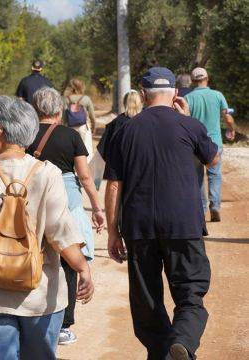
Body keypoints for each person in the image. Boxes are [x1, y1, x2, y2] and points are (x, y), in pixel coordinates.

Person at [0, 95, 95, 360]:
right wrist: (83, 269)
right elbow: (61, 234)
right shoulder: (48, 173)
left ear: (0, 131)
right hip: (38, 297)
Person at [105, 67, 220, 360]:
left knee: (146, 300)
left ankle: (161, 353)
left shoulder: (125, 130)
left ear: (143, 94)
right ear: (176, 94)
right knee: (191, 293)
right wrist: (186, 119)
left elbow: (114, 186)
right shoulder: (188, 126)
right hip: (183, 224)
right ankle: (182, 341)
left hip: (139, 225)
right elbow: (213, 158)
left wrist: (112, 232)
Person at [28, 87, 105, 345]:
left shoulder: (25, 134)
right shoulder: (71, 136)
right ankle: (64, 325)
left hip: (33, 202)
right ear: (59, 110)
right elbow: (84, 176)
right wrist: (96, 207)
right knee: (69, 259)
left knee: (35, 257)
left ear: (36, 109)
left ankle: (31, 318)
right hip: (65, 204)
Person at [184, 67, 236, 222]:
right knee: (214, 174)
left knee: (197, 176)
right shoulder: (218, 95)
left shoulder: (188, 98)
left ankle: (202, 209)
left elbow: (184, 120)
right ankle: (215, 206)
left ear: (193, 81)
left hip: (195, 143)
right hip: (215, 142)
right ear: (207, 78)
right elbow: (228, 118)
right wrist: (231, 130)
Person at [97, 90, 143, 161]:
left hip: (120, 165)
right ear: (139, 103)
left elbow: (104, 148)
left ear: (124, 103)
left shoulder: (117, 122)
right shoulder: (146, 120)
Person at [64, 78, 97, 162]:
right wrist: (93, 126)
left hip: (70, 128)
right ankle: (87, 168)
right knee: (87, 148)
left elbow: (63, 116)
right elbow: (92, 115)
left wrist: (64, 126)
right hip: (83, 127)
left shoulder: (66, 99)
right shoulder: (86, 98)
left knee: (71, 149)